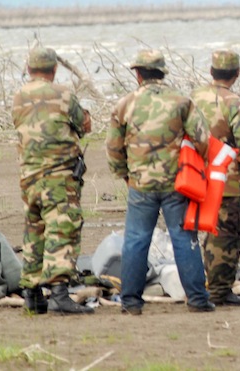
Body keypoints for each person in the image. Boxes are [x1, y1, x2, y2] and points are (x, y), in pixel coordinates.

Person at [106, 49, 215, 315]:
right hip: (176, 184)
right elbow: (203, 139)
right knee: (184, 238)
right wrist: (195, 167)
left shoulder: (124, 104)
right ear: (162, 73)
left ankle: (131, 302)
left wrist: (125, 175)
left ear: (138, 74)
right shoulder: (182, 102)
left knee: (135, 240)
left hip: (140, 184)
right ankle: (197, 299)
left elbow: (113, 148)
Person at [12, 46, 94, 314]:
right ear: (54, 69)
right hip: (58, 177)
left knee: (34, 231)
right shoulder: (63, 94)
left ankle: (32, 294)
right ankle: (59, 293)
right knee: (62, 228)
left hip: (29, 177)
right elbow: (84, 124)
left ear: (29, 69)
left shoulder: (18, 97)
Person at [191, 50, 240, 307]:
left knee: (197, 230)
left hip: (193, 173)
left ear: (211, 71)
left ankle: (199, 284)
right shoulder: (236, 104)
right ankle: (219, 290)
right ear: (237, 74)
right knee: (227, 231)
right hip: (226, 179)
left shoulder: (193, 99)